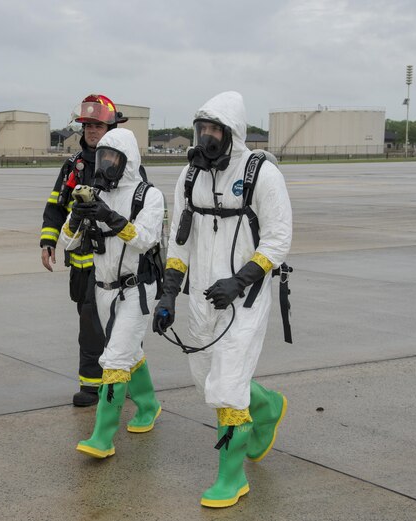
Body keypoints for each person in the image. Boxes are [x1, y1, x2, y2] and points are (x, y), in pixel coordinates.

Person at [152, 91, 292, 507]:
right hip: (201, 298)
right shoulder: (189, 177)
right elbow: (177, 243)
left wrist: (242, 279)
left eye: (215, 129)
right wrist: (168, 294)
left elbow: (278, 238)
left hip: (244, 300)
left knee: (227, 389)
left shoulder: (261, 174)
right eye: (202, 129)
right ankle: (267, 407)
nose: (207, 137)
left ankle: (231, 478)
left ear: (233, 132)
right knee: (209, 382)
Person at [58, 128, 163, 458]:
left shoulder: (149, 196)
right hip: (103, 289)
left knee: (115, 359)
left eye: (113, 158)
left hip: (136, 289)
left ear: (128, 160)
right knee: (128, 353)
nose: (105, 164)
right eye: (102, 157)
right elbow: (68, 242)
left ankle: (102, 437)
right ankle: (148, 405)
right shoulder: (93, 193)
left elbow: (145, 239)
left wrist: (109, 216)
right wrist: (77, 215)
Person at [39, 94, 127, 407]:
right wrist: (47, 240)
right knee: (88, 320)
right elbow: (55, 206)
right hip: (81, 261)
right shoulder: (73, 166)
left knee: (105, 322)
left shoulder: (125, 165)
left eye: (98, 125)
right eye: (87, 125)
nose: (91, 130)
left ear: (112, 126)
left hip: (114, 262)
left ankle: (97, 385)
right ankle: (105, 379)